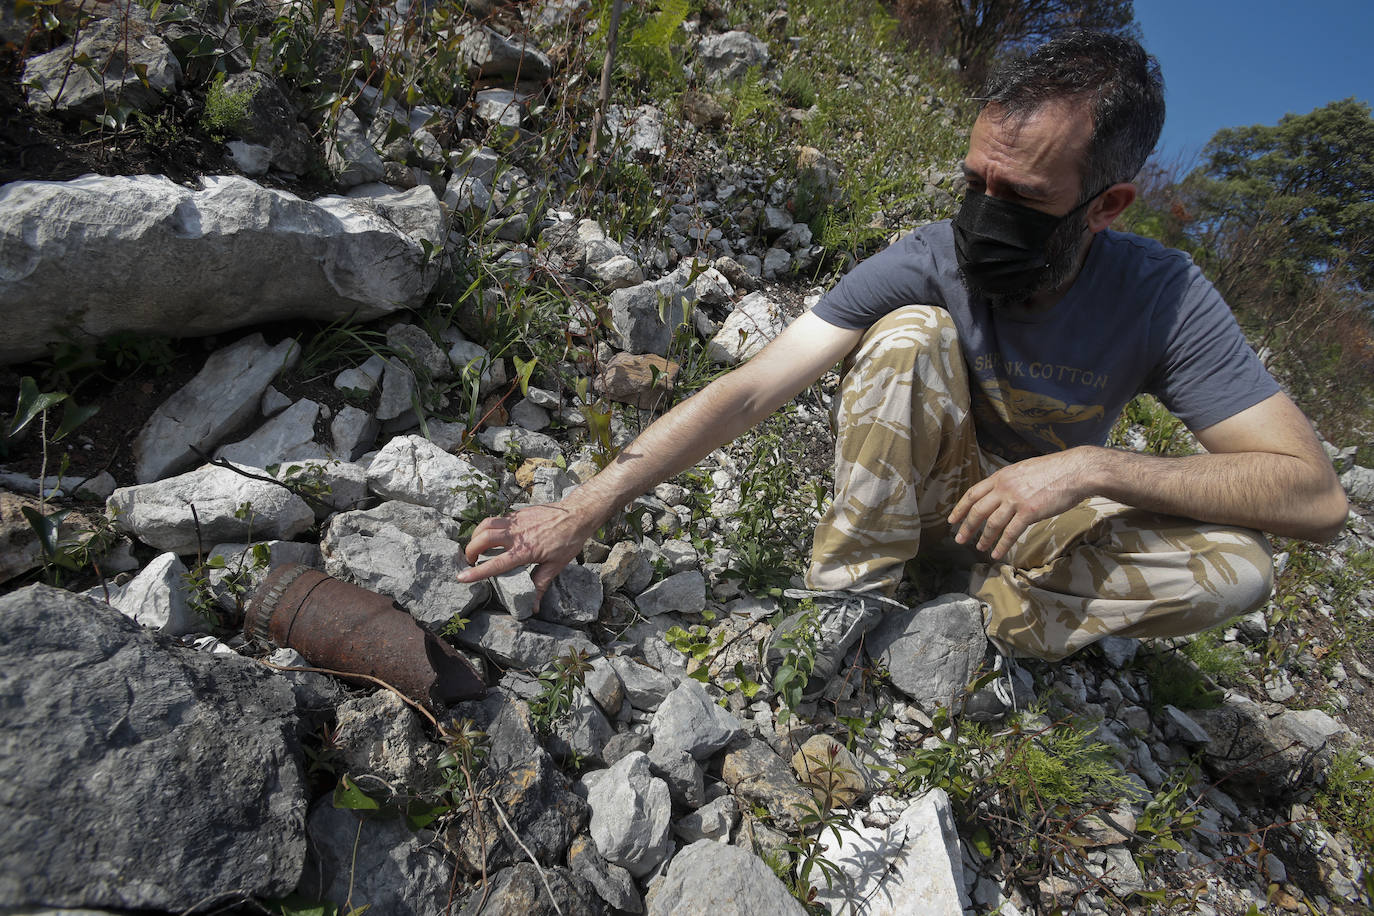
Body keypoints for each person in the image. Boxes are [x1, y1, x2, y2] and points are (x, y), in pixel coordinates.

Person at [458, 30, 1348, 703]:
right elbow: (752, 387)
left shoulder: (1164, 296)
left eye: (1025, 199)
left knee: (1242, 564)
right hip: (928, 498)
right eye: (976, 184)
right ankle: (851, 597)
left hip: (1036, 539)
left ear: (1108, 204)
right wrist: (580, 508)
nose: (985, 216)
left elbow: (1313, 496)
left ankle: (984, 623)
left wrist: (1091, 468)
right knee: (908, 333)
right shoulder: (929, 261)